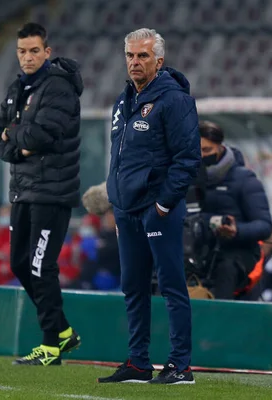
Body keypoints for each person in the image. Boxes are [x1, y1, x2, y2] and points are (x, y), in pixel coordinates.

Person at [98, 28, 201, 384]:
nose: (134, 62)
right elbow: (119, 159)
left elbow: (188, 160)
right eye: (129, 55)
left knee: (171, 285)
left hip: (158, 209)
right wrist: (116, 201)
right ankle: (139, 362)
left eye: (142, 56)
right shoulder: (123, 101)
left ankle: (181, 365)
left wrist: (162, 205)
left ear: (159, 60)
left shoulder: (174, 101)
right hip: (127, 211)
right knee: (133, 286)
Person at [0, 22, 83, 366]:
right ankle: (63, 332)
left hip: (52, 192)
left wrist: (13, 138)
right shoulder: (18, 88)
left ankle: (51, 345)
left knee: (41, 266)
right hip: (23, 191)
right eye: (21, 51)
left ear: (47, 51)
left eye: (33, 51)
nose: (27, 57)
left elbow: (42, 135)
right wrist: (17, 144)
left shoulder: (58, 88)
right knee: (19, 263)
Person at [198, 120, 272, 299]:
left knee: (226, 268)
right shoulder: (184, 179)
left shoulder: (245, 180)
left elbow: (264, 225)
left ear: (220, 148)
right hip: (199, 250)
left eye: (207, 150)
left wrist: (236, 230)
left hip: (237, 253)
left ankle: (220, 319)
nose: (201, 156)